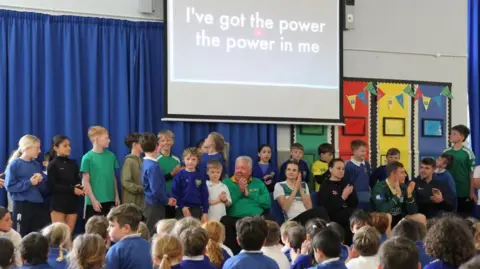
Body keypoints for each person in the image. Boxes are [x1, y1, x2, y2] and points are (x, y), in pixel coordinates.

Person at [221, 156, 271, 254]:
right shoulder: (225, 183)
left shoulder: (259, 183)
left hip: (255, 218)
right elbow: (227, 204)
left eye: (243, 168)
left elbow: (267, 203)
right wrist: (240, 191)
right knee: (225, 221)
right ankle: (233, 257)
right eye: (237, 168)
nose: (239, 170)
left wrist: (249, 194)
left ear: (250, 171)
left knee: (268, 220)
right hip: (233, 219)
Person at [5, 134, 50, 237]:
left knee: (38, 236)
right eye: (37, 148)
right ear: (27, 148)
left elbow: (43, 189)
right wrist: (29, 182)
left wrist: (40, 181)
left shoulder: (36, 165)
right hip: (22, 206)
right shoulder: (14, 164)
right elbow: (10, 186)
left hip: (38, 206)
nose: (39, 151)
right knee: (21, 235)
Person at [141, 132, 176, 236]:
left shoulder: (146, 162)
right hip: (155, 205)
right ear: (157, 146)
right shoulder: (153, 166)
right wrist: (167, 200)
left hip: (150, 203)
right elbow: (156, 189)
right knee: (153, 233)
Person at [81, 126, 120, 220]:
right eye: (106, 138)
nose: (109, 140)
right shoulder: (87, 158)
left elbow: (113, 177)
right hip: (95, 202)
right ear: (97, 139)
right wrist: (93, 200)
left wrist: (117, 196)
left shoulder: (111, 156)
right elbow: (85, 181)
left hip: (110, 200)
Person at [370, 161, 426, 228]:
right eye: (402, 172)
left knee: (421, 217)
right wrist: (397, 196)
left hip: (400, 218)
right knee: (388, 216)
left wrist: (409, 195)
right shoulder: (379, 188)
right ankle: (390, 238)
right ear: (393, 174)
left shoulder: (404, 187)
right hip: (381, 219)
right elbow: (383, 210)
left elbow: (413, 211)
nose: (405, 175)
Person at [46, 135, 84, 231]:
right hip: (59, 204)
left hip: (72, 203)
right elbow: (53, 186)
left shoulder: (73, 163)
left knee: (68, 235)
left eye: (69, 145)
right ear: (56, 148)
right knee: (59, 236)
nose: (69, 148)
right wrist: (72, 189)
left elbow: (77, 180)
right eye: (65, 146)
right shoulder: (52, 165)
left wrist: (80, 187)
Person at [275, 160, 329, 225]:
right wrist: (295, 189)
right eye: (288, 169)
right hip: (292, 219)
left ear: (299, 173)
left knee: (322, 210)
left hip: (306, 216)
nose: (291, 172)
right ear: (285, 171)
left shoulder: (304, 185)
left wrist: (300, 187)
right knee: (320, 212)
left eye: (294, 170)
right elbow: (285, 208)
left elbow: (309, 207)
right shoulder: (279, 185)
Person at [319, 159, 358, 238]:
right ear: (330, 169)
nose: (341, 171)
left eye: (343, 169)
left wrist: (351, 194)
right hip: (334, 218)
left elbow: (354, 204)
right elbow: (329, 208)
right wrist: (343, 196)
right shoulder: (325, 186)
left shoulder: (347, 183)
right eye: (338, 168)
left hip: (350, 216)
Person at [105, 204, 152, 269]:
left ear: (126, 228)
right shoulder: (151, 246)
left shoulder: (115, 250)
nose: (108, 229)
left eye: (112, 225)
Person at [443, 124, 476, 217]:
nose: (450, 135)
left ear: (462, 137)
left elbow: (472, 173)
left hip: (463, 190)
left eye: (454, 134)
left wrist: (471, 192)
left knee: (464, 217)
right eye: (451, 133)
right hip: (448, 190)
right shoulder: (446, 151)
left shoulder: (468, 153)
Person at [172, 148, 209, 221]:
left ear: (198, 161)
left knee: (195, 231)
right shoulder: (179, 176)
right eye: (188, 159)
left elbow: (205, 195)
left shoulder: (200, 176)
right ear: (183, 160)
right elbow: (175, 193)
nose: (190, 162)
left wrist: (205, 212)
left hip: (197, 209)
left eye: (193, 159)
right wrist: (183, 207)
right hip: (181, 208)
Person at [157, 130, 183, 219]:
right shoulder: (156, 159)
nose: (166, 143)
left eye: (168, 140)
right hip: (161, 199)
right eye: (163, 140)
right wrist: (172, 173)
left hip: (174, 198)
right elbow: (156, 181)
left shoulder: (177, 160)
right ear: (159, 142)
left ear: (172, 141)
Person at [344, 140, 371, 210]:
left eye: (365, 151)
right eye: (362, 151)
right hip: (355, 196)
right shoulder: (349, 166)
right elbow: (346, 182)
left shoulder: (366, 164)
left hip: (366, 194)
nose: (365, 153)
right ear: (355, 152)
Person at [121, 132, 144, 207]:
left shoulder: (143, 160)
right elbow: (126, 182)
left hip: (142, 202)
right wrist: (142, 189)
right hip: (132, 202)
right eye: (142, 142)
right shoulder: (129, 161)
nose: (144, 145)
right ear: (134, 145)